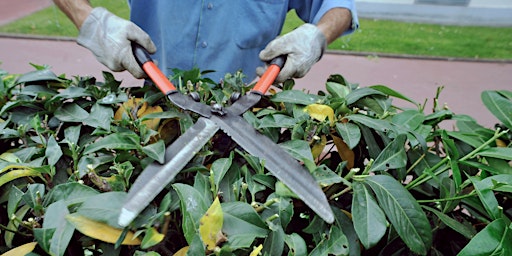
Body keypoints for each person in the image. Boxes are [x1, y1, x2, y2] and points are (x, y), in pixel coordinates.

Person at [53, 0, 358, 83]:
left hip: (248, 116)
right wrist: (92, 23)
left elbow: (339, 5)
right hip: (157, 111)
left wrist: (315, 37)